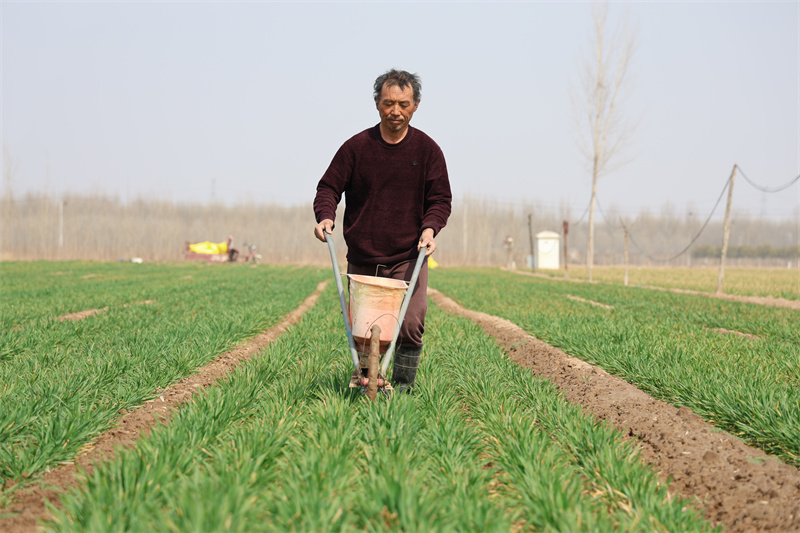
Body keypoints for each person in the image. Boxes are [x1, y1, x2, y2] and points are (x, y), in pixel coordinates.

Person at [313, 68, 452, 394]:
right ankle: (367, 380)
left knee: (410, 323)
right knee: (363, 329)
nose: (396, 111)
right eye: (389, 103)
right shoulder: (356, 148)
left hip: (408, 256)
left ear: (415, 105)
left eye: (403, 104)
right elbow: (328, 188)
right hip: (363, 254)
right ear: (377, 103)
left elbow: (440, 199)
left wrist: (431, 228)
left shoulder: (427, 151)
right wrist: (325, 216)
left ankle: (402, 390)